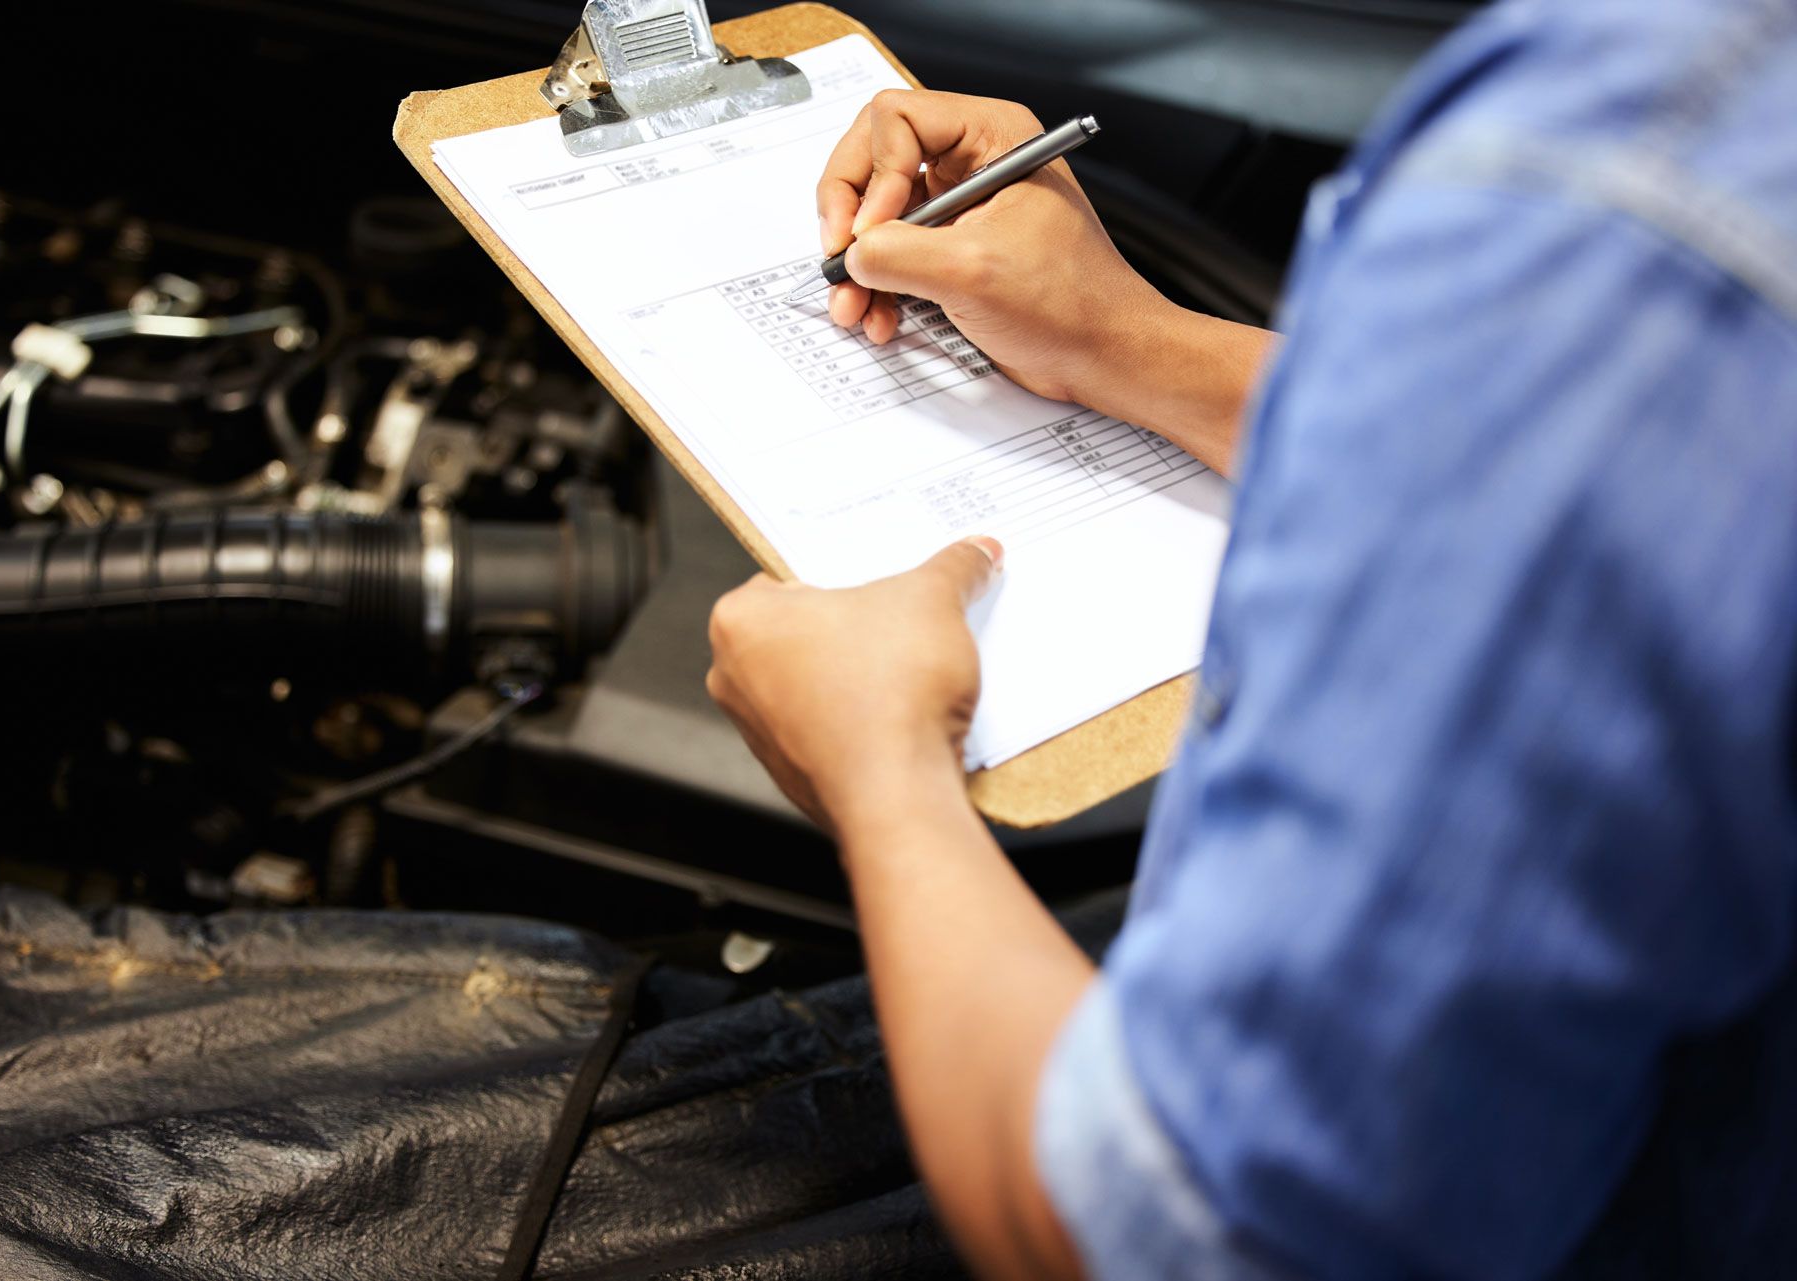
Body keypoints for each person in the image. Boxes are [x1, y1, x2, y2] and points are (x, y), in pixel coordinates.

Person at [703, 2, 1797, 1279]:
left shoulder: (1632, 186)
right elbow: (1630, 462)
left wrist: (880, 765)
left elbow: (1192, 1231)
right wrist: (1123, 341)